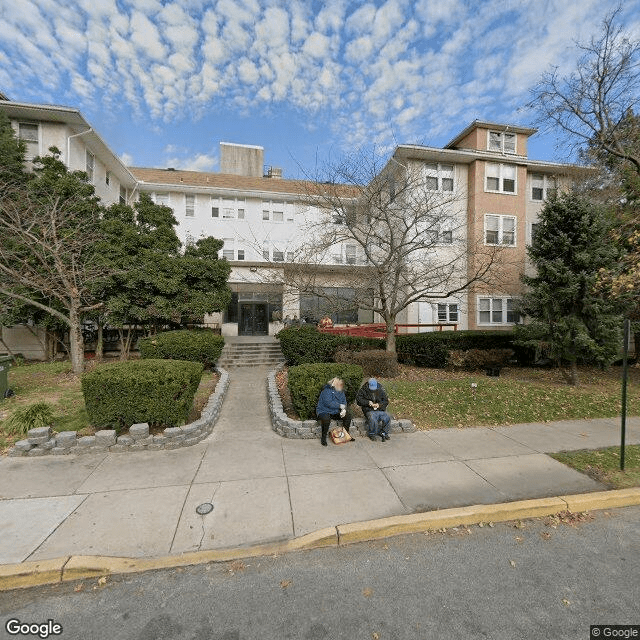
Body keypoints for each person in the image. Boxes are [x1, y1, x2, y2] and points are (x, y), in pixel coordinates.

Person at [316, 377, 353, 446]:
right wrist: (340, 406)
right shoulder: (326, 390)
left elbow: (344, 402)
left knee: (348, 416)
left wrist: (343, 409)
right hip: (324, 410)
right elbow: (328, 403)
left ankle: (345, 435)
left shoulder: (341, 391)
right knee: (326, 419)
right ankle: (323, 438)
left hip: (335, 411)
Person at [356, 378, 391, 442]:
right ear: (368, 385)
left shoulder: (381, 390)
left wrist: (379, 405)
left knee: (387, 417)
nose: (373, 389)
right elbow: (359, 400)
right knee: (373, 418)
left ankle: (384, 433)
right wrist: (368, 403)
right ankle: (372, 434)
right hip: (369, 410)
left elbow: (385, 401)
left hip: (379, 409)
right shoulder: (363, 390)